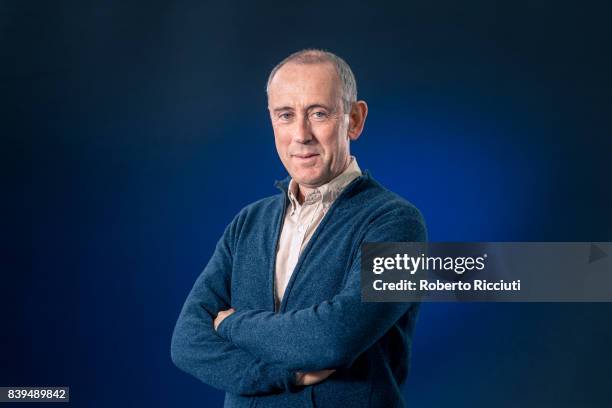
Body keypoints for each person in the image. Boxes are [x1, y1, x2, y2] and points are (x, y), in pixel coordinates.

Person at [170, 49, 427, 408]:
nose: (301, 134)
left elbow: (333, 338)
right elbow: (186, 342)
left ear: (354, 119)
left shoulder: (396, 223)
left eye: (318, 113)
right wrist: (285, 376)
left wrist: (230, 324)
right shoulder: (248, 223)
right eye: (286, 115)